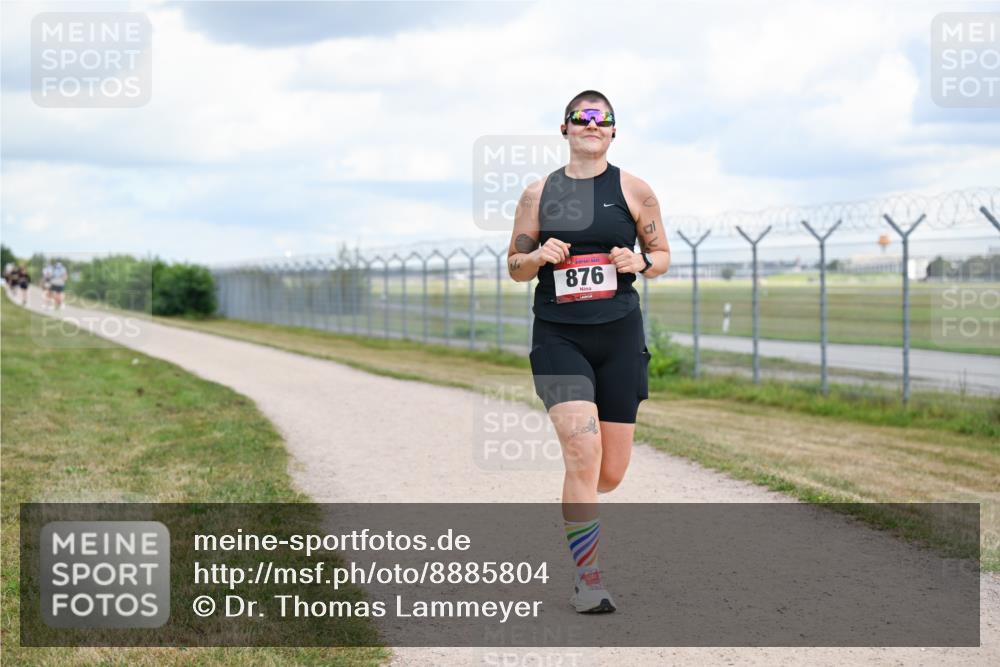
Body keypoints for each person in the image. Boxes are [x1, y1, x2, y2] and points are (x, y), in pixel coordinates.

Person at [506, 90, 670, 613]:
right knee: (582, 451)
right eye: (582, 118)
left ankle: (579, 499)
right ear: (565, 128)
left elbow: (662, 254)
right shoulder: (539, 194)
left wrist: (638, 263)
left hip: (619, 335)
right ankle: (588, 580)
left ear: (614, 131)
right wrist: (537, 257)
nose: (591, 125)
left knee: (608, 472)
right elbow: (513, 264)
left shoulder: (636, 190)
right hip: (559, 335)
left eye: (602, 119)